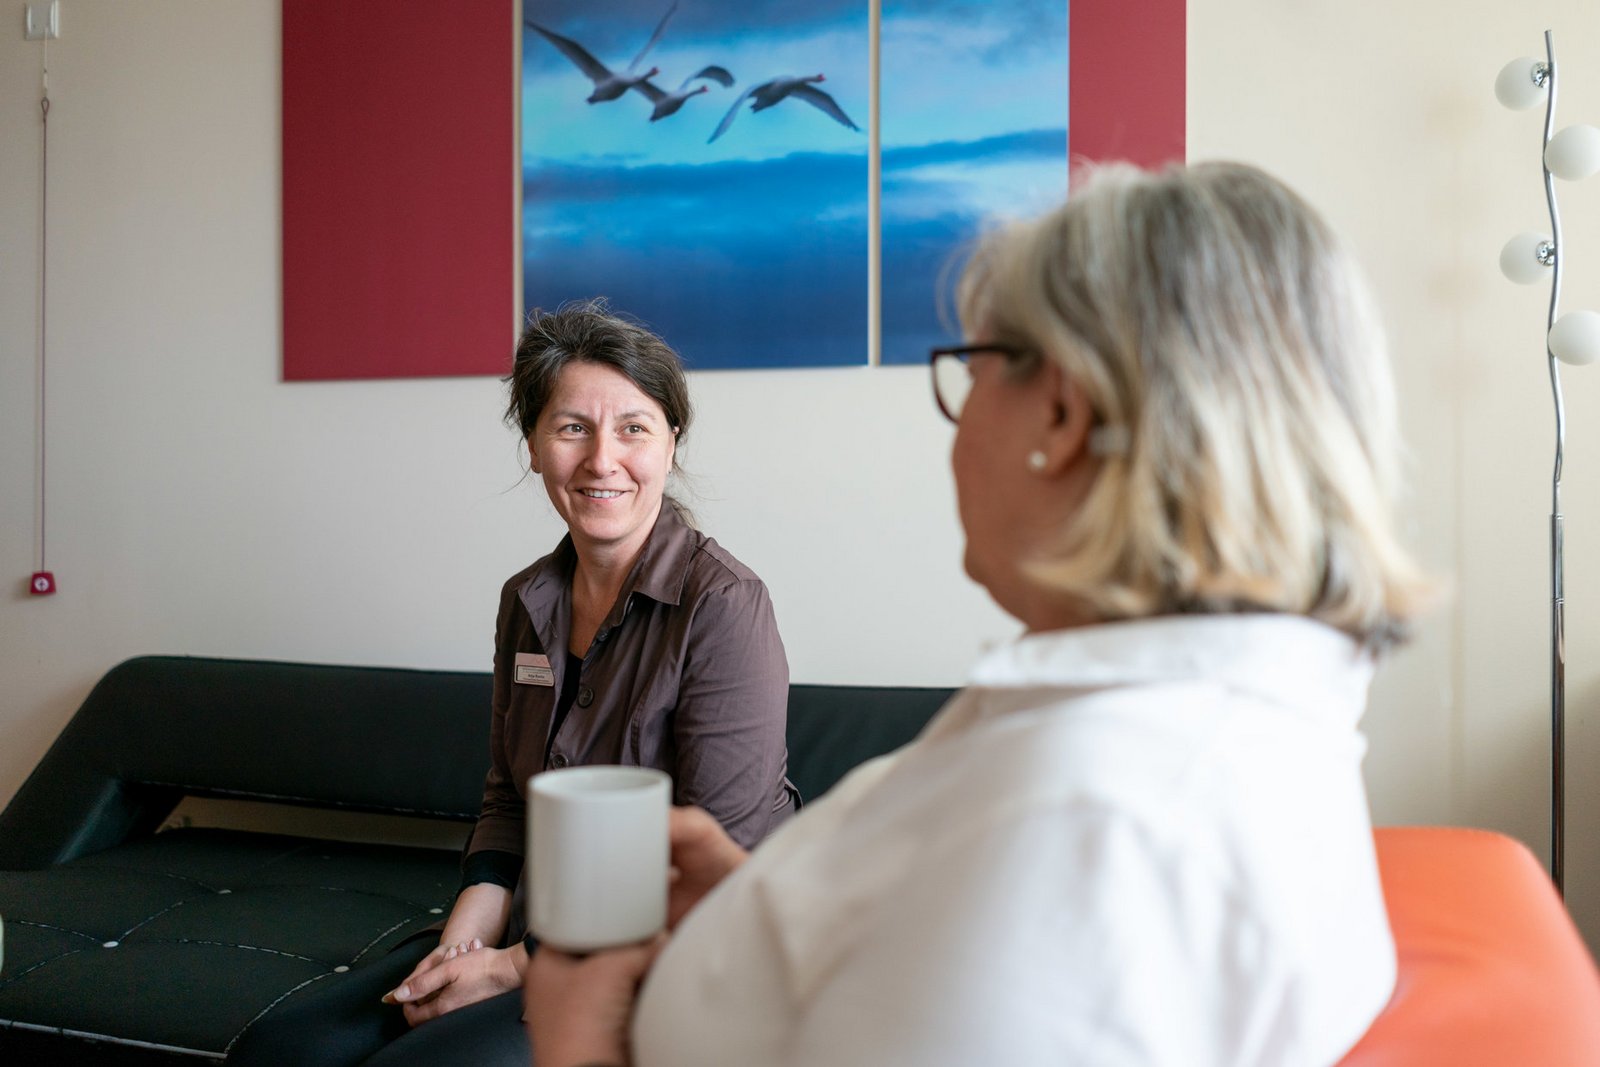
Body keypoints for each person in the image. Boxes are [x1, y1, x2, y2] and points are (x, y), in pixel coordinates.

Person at [522, 162, 1434, 1067]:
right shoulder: (1170, 730)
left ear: (1064, 412)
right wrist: (770, 903)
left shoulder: (1092, 826)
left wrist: (579, 1044)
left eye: (975, 367)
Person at [227, 301, 796, 1067]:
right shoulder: (527, 600)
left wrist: (506, 968)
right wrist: (468, 938)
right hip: (534, 928)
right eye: (571, 428)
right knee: (280, 1052)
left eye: (633, 427)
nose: (602, 460)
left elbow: (711, 860)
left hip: (672, 951)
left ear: (670, 442)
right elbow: (506, 798)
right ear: (533, 444)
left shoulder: (724, 603)